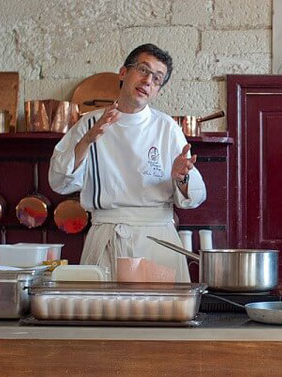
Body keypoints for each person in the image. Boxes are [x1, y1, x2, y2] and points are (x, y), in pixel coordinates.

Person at [49, 43, 206, 282]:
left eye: (157, 79)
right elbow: (59, 181)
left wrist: (181, 176)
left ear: (158, 90)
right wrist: (88, 140)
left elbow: (195, 195)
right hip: (106, 237)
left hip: (158, 241)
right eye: (143, 70)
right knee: (103, 316)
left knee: (160, 315)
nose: (147, 81)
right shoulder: (90, 123)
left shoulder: (166, 128)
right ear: (123, 73)